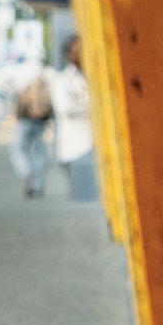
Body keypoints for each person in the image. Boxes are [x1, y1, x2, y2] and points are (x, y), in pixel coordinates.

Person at [51, 34, 98, 202]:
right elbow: (65, 109)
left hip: (96, 146)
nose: (80, 55)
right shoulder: (62, 80)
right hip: (74, 148)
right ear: (68, 55)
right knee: (82, 198)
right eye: (76, 51)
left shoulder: (97, 78)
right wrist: (92, 107)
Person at [7, 55, 53, 196]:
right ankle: (39, 185)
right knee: (39, 152)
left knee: (18, 149)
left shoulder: (24, 73)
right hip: (41, 119)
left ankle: (26, 172)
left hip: (26, 118)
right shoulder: (46, 74)